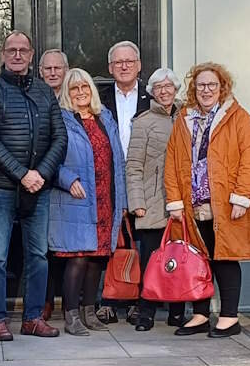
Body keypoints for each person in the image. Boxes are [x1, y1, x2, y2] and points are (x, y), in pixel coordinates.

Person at [0, 30, 68, 341]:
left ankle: (32, 318)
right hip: (1, 188)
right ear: (3, 54)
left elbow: (60, 138)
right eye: (11, 50)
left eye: (23, 50)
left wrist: (41, 173)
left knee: (38, 255)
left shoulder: (44, 92)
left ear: (31, 55)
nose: (17, 55)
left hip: (38, 188)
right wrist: (21, 174)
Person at [165, 62, 250, 338]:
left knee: (225, 259)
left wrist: (241, 196)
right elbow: (172, 160)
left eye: (212, 85)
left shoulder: (238, 118)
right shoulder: (184, 119)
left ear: (222, 87)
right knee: (197, 260)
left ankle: (229, 317)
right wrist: (174, 200)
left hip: (224, 202)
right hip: (192, 203)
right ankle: (200, 315)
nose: (206, 90)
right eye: (201, 85)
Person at [49, 69, 127, 335]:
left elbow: (118, 161)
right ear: (67, 93)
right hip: (77, 198)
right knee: (79, 257)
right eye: (74, 89)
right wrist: (67, 179)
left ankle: (89, 312)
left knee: (97, 257)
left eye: (85, 87)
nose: (81, 92)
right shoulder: (60, 120)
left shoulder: (105, 117)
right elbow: (48, 158)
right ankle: (71, 316)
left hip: (106, 198)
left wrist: (122, 200)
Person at [125, 67, 185, 331]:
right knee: (151, 261)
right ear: (152, 92)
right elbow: (133, 166)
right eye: (158, 87)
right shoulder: (143, 122)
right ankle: (146, 313)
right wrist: (137, 201)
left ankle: (177, 313)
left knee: (180, 258)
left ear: (175, 89)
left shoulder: (187, 117)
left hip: (182, 203)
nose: (164, 91)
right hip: (153, 202)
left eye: (168, 86)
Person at [97, 40, 151, 325]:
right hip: (110, 178)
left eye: (129, 61)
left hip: (145, 179)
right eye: (118, 62)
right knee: (110, 238)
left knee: (140, 240)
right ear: (110, 68)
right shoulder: (99, 99)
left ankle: (136, 301)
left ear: (139, 65)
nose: (124, 66)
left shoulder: (152, 98)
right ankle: (107, 300)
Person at [38, 48, 70, 320]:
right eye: (47, 69)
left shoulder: (76, 97)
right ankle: (45, 300)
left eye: (57, 68)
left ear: (66, 71)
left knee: (70, 246)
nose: (52, 73)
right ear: (40, 72)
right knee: (44, 247)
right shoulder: (35, 97)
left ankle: (72, 302)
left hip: (73, 184)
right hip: (42, 180)